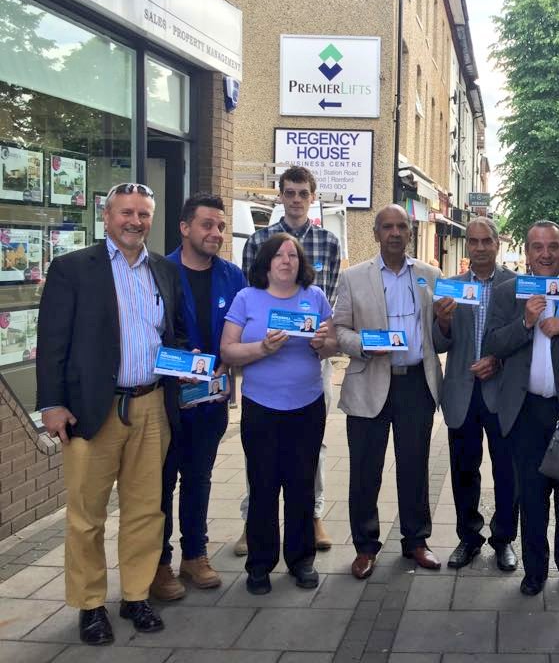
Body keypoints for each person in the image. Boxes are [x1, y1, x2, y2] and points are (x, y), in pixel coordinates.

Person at [37, 183, 186, 645]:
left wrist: (192, 367)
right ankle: (90, 605)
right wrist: (51, 404)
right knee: (87, 515)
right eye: (126, 213)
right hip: (92, 409)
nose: (135, 222)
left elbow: (173, 334)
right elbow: (52, 341)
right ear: (106, 217)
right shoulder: (73, 268)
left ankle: (136, 595)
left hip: (151, 405)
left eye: (143, 214)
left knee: (146, 510)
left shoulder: (163, 269)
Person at [333, 204, 444, 579]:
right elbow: (339, 330)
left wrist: (446, 322)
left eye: (402, 226)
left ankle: (416, 541)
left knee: (414, 467)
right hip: (370, 380)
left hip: (416, 382)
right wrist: (365, 344)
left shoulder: (430, 275)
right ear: (376, 233)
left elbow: (440, 333)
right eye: (388, 227)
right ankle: (365, 547)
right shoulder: (353, 278)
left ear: (410, 232)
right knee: (366, 471)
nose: (395, 233)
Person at [483, 220, 559, 597]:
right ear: (527, 253)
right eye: (537, 247)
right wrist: (527, 322)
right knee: (530, 495)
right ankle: (534, 571)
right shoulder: (508, 292)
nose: (545, 254)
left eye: (553, 246)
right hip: (525, 410)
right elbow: (493, 343)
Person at [221, 234, 336, 595]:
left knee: (301, 486)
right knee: (263, 487)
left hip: (306, 406)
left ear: (301, 263)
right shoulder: (246, 298)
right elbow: (227, 351)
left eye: (293, 255)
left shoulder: (314, 297)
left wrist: (322, 344)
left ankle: (301, 561)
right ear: (266, 263)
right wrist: (262, 348)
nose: (287, 260)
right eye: (279, 255)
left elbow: (333, 343)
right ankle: (260, 565)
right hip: (262, 408)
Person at [236, 166, 341, 555]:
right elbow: (251, 295)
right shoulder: (259, 240)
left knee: (314, 444)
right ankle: (252, 521)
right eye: (290, 192)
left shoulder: (329, 242)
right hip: (267, 358)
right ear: (280, 195)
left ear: (313, 198)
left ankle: (313, 515)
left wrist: (323, 339)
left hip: (312, 358)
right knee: (259, 451)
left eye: (303, 193)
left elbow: (329, 299)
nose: (296, 199)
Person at [152, 193, 247, 601]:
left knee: (199, 478)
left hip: (211, 399)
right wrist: (177, 360)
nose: (216, 233)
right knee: (161, 483)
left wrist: (230, 361)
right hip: (165, 400)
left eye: (221, 226)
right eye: (207, 224)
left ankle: (195, 555)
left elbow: (245, 329)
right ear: (184, 227)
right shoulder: (159, 271)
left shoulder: (233, 277)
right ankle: (158, 564)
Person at [432, 217, 519, 571]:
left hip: (503, 391)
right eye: (474, 241)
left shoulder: (515, 285)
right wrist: (443, 321)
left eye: (486, 241)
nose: (480, 247)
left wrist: (498, 360)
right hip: (462, 392)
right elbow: (438, 343)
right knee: (463, 469)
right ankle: (468, 538)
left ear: (497, 244)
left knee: (507, 471)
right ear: (467, 245)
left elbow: (523, 339)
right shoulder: (449, 287)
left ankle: (504, 539)